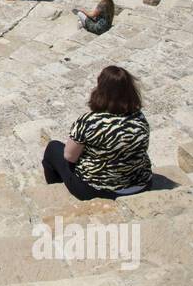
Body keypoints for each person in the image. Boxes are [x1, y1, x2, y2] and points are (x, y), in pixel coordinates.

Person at [41, 65, 152, 201]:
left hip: (98, 190)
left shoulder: (89, 121)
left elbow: (69, 157)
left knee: (53, 148)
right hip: (141, 184)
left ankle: (55, 193)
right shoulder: (139, 117)